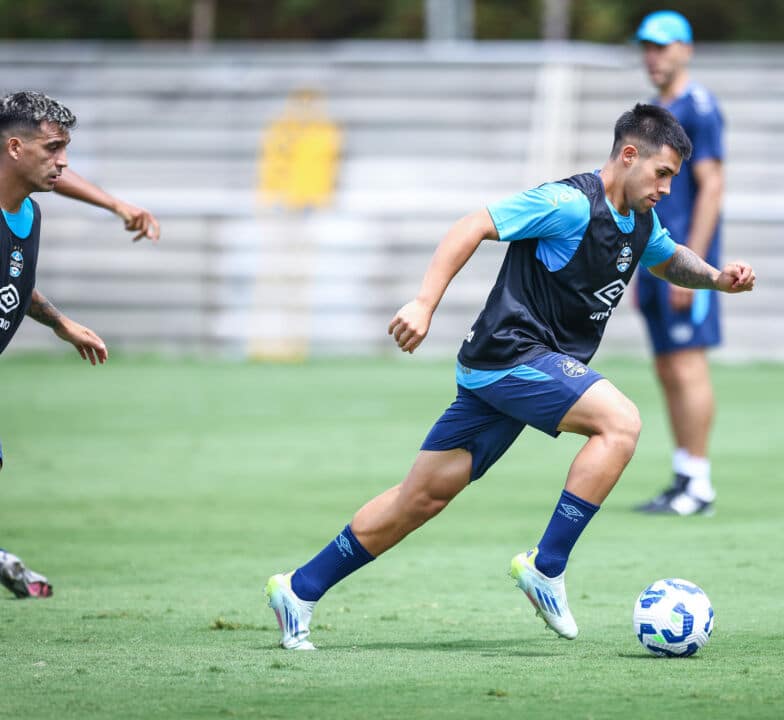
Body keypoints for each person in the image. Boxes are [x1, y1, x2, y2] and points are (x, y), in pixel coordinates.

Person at [265, 103, 755, 650]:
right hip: (511, 355)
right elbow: (473, 225)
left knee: (420, 498)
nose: (666, 188)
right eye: (662, 174)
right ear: (629, 154)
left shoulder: (641, 221)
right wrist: (424, 303)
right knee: (620, 423)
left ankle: (298, 590)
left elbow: (665, 258)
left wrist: (715, 278)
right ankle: (546, 566)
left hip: (508, 371)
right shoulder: (568, 203)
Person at [1, 89, 159, 598]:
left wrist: (59, 322)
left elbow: (13, 279)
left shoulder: (28, 213)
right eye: (53, 149)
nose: (63, 161)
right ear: (14, 148)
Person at [632, 11, 728, 516]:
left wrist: (695, 265)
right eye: (648, 47)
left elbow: (712, 184)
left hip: (683, 260)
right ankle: (683, 476)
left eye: (663, 47)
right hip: (655, 259)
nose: (654, 56)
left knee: (688, 366)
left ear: (686, 50)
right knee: (668, 366)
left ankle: (701, 483)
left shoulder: (700, 108)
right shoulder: (658, 113)